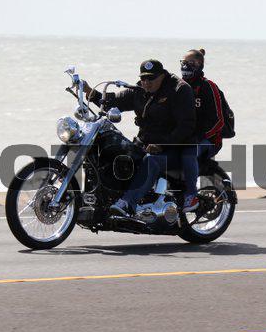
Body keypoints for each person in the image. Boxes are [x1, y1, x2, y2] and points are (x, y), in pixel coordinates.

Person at [83, 59, 196, 217]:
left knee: (151, 161)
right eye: (143, 78)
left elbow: (186, 126)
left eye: (151, 78)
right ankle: (103, 200)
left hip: (175, 148)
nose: (146, 82)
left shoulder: (179, 90)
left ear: (162, 76)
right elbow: (113, 102)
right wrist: (89, 91)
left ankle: (128, 203)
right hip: (146, 143)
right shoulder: (139, 90)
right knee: (117, 152)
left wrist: (162, 145)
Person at [179, 49, 226, 211]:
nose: (186, 66)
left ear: (200, 65)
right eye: (183, 62)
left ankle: (191, 196)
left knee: (189, 153)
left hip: (208, 140)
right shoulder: (178, 86)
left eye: (190, 63)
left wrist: (200, 136)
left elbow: (219, 121)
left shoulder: (208, 87)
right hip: (184, 137)